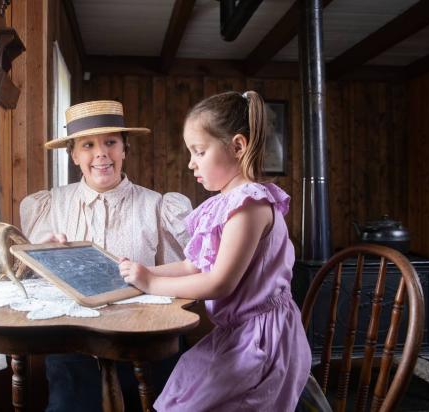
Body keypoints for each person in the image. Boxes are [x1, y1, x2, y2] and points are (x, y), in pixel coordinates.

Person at [119, 91, 312, 411]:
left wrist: (151, 284)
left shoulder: (249, 206)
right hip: (239, 331)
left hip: (263, 340)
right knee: (183, 386)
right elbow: (195, 265)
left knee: (191, 401)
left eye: (199, 151)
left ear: (237, 146)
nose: (191, 163)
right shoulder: (227, 205)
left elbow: (220, 282)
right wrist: (143, 271)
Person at [19, 100, 192, 412]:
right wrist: (39, 254)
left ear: (124, 149)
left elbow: (185, 273)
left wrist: (148, 279)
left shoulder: (158, 206)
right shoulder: (48, 206)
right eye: (88, 145)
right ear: (74, 155)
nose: (101, 153)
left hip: (145, 343)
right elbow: (23, 283)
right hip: (71, 345)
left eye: (111, 142)